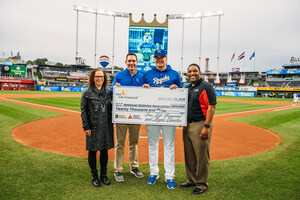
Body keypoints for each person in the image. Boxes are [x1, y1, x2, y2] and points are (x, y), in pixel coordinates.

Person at [142, 49, 182, 189]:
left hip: (169, 116)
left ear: (166, 58)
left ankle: (169, 176)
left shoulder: (174, 74)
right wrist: (144, 88)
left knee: (169, 145)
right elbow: (141, 95)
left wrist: (176, 88)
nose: (159, 59)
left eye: (161, 57)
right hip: (152, 115)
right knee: (152, 144)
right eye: (157, 57)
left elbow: (181, 95)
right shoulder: (147, 74)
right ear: (154, 59)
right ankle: (154, 173)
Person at [180, 63, 216, 195]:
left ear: (200, 72)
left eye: (194, 71)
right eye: (189, 71)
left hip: (200, 123)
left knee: (201, 155)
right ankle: (191, 179)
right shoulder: (188, 87)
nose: (192, 73)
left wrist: (206, 127)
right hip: (187, 124)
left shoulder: (205, 86)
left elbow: (212, 107)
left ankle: (201, 184)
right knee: (189, 154)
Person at [112, 53, 145, 182]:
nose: (131, 63)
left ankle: (134, 166)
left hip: (136, 115)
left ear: (137, 62)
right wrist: (115, 88)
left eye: (133, 61)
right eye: (129, 61)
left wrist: (147, 88)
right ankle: (118, 169)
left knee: (134, 142)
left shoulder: (142, 76)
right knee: (119, 143)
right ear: (126, 62)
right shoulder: (119, 75)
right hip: (122, 114)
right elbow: (112, 90)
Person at [80, 68, 114, 187]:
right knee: (93, 151)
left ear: (104, 79)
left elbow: (112, 110)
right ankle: (94, 176)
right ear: (93, 78)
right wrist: (86, 127)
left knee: (104, 151)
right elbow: (83, 111)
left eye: (102, 76)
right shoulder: (87, 93)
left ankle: (103, 175)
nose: (99, 78)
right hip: (93, 127)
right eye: (97, 76)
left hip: (106, 126)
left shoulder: (109, 92)